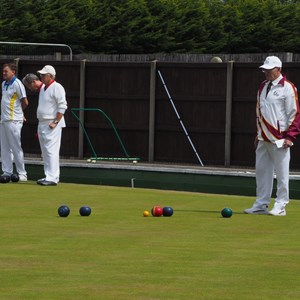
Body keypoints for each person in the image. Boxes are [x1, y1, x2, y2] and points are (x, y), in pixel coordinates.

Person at [244, 56, 300, 216]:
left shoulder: (288, 87)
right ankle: (261, 204)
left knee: (282, 174)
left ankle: (281, 205)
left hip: (280, 138)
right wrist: (258, 132)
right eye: (265, 69)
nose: (266, 72)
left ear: (279, 69)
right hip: (263, 138)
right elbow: (260, 112)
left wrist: (290, 137)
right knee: (262, 172)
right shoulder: (262, 86)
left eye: (269, 70)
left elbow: (294, 114)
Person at [22, 66, 67, 186]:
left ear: (51, 76)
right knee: (45, 151)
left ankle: (53, 177)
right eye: (41, 75)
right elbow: (34, 85)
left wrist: (55, 122)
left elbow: (62, 106)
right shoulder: (43, 88)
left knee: (51, 150)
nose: (41, 77)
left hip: (52, 123)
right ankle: (48, 175)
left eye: (43, 75)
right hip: (42, 123)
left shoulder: (57, 87)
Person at [1, 63, 28, 181]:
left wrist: (20, 114)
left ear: (13, 72)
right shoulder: (3, 84)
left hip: (14, 120)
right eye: (3, 71)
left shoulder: (18, 84)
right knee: (4, 147)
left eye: (6, 71)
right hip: (3, 120)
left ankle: (22, 174)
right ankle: (6, 171)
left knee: (16, 147)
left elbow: (25, 102)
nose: (4, 73)